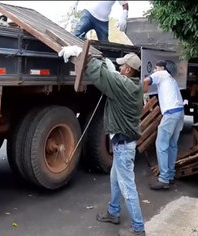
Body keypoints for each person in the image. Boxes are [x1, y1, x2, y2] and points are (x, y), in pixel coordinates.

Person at [58, 46, 145, 236]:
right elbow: (114, 77)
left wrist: (81, 55)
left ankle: (138, 228)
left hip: (123, 146)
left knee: (127, 187)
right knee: (115, 179)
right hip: (124, 144)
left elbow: (102, 75)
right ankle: (113, 212)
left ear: (128, 70)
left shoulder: (123, 86)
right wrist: (110, 68)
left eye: (122, 66)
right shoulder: (134, 86)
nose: (119, 68)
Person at [143, 60, 184, 190]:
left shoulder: (162, 74)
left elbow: (146, 81)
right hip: (179, 113)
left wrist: (143, 95)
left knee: (161, 144)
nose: (154, 70)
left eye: (155, 68)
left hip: (170, 114)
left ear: (161, 68)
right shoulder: (171, 79)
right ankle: (170, 175)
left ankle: (164, 178)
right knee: (172, 145)